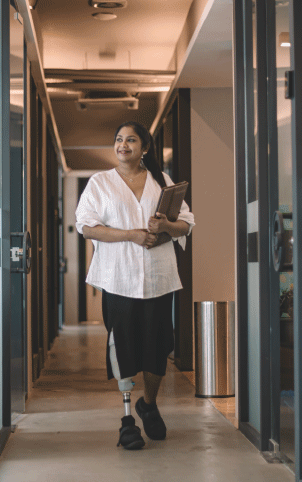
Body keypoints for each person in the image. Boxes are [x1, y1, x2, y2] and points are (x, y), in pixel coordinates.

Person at [75, 121, 195, 450]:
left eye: (131, 140)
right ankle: (128, 419)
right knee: (124, 346)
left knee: (158, 347)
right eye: (118, 140)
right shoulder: (100, 183)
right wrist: (132, 234)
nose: (123, 145)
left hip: (159, 277)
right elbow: (86, 227)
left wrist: (166, 225)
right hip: (118, 279)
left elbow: (186, 224)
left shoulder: (163, 181)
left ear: (145, 148)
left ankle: (149, 404)